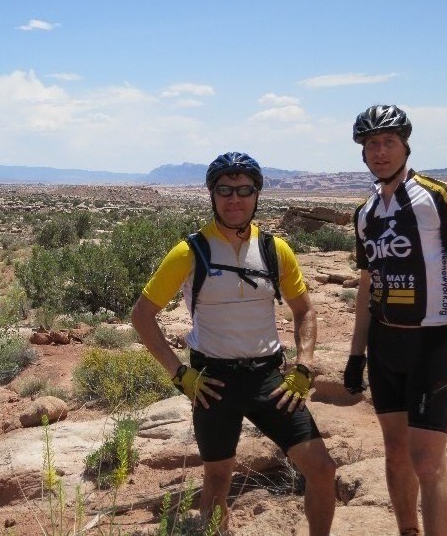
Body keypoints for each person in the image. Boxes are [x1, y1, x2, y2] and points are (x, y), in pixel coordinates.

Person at [131, 152, 335, 535]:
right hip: (214, 382)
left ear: (257, 195)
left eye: (244, 190)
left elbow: (304, 310)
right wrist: (180, 374)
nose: (234, 199)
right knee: (217, 481)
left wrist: (304, 365)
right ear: (212, 194)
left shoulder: (276, 250)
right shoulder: (189, 253)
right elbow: (141, 315)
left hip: (269, 379)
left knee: (322, 469)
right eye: (225, 190)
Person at [344, 104, 447, 536]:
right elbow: (365, 285)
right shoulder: (365, 212)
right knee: (394, 453)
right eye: (372, 144)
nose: (380, 151)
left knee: (427, 462)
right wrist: (357, 355)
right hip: (385, 344)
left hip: (431, 342)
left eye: (388, 142)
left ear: (405, 146)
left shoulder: (436, 195)